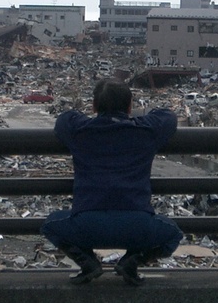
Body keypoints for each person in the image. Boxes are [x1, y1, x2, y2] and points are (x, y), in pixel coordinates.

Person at [40, 78, 182, 286]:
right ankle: (132, 261)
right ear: (130, 106)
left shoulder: (80, 131)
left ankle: (88, 262)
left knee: (50, 225)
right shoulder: (145, 131)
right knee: (173, 234)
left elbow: (64, 120)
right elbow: (168, 117)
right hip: (136, 225)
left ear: (94, 106)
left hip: (87, 225)